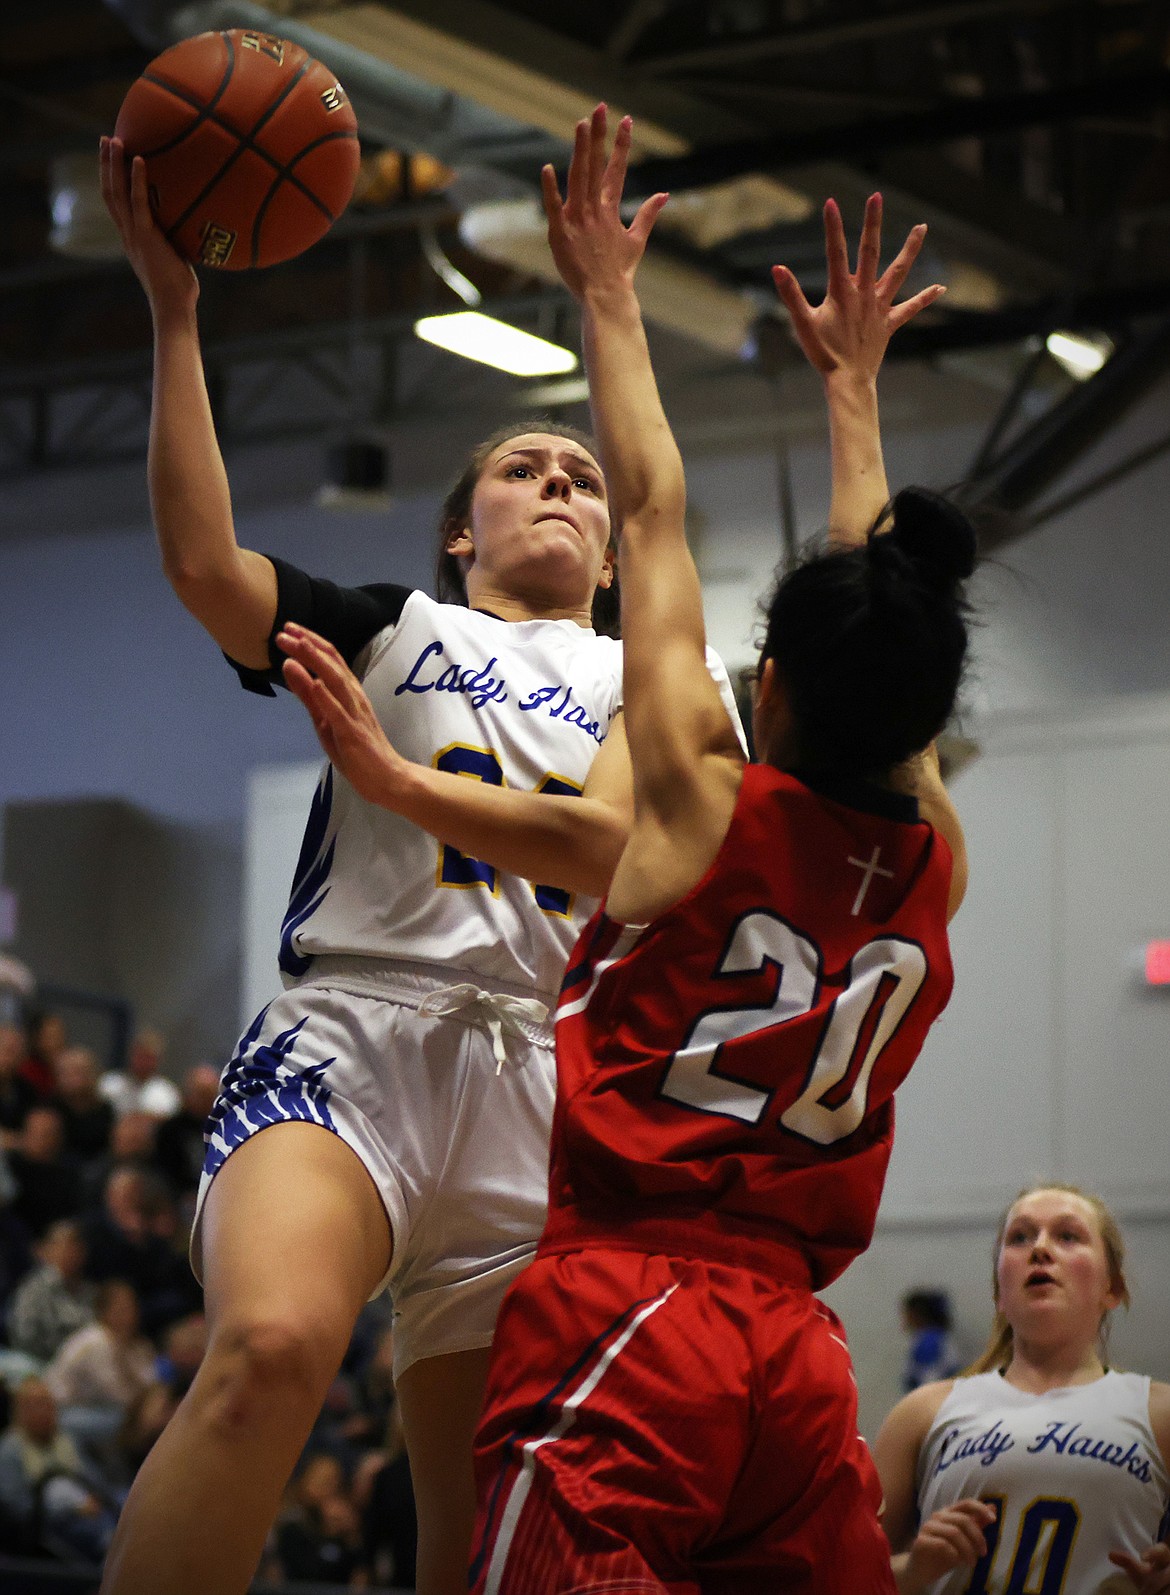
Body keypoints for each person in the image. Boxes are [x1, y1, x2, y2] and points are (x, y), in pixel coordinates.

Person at [96, 132, 743, 1595]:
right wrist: (178, 312)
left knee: (481, 1517)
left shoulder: (667, 677)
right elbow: (206, 568)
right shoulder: (397, 628)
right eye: (526, 467)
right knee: (267, 1351)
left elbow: (651, 842)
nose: (565, 483)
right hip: (355, 1036)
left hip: (542, 1082)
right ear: (465, 531)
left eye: (582, 471)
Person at [465, 107, 972, 1594]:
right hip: (802, 1366)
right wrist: (853, 397)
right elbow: (883, 630)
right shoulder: (938, 848)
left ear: (767, 692)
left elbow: (654, 509)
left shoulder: (698, 796)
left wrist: (610, 296)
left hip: (629, 1314)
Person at [873, 1184, 1170, 1595]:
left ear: (1112, 1288)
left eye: (1068, 1236)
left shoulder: (1159, 1413)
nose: (1040, 1249)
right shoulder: (922, 1413)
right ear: (999, 1292)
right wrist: (914, 1570)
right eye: (1020, 1237)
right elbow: (845, 1577)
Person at [7, 1217, 95, 1365]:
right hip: (41, 1365)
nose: (70, 1253)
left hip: (84, 1367)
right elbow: (23, 1337)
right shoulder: (33, 1290)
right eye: (63, 1246)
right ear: (48, 1250)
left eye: (75, 1246)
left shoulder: (91, 1291)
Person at [901, 1287, 963, 1391]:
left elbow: (930, 1377)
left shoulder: (928, 1342)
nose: (904, 1319)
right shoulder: (936, 1338)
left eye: (906, 1314)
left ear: (917, 1315)